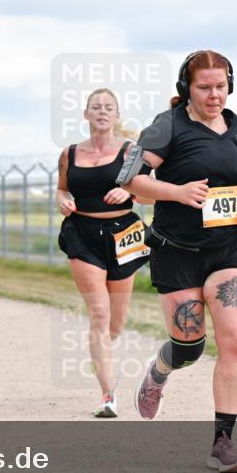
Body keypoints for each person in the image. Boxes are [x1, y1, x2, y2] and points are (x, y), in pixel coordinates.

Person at [123, 50, 237, 473]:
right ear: (187, 87)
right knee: (190, 346)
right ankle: (160, 371)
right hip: (176, 252)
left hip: (228, 251)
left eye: (221, 86)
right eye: (205, 87)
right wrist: (178, 192)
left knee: (235, 341)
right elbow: (131, 181)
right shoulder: (168, 126)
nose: (214, 94)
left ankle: (223, 443)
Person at [56, 88, 152, 418]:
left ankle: (103, 356)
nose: (102, 111)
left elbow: (150, 195)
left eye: (108, 107)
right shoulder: (69, 153)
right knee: (99, 314)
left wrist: (127, 190)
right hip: (82, 234)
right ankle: (108, 395)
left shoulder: (130, 152)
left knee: (115, 323)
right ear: (85, 114)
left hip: (122, 234)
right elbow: (62, 187)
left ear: (117, 115)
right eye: (96, 107)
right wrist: (61, 199)